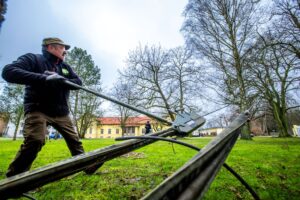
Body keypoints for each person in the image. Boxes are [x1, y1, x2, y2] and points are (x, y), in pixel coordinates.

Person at [1, 37, 101, 177]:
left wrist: (61, 79)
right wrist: (44, 78)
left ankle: (88, 166)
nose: (65, 51)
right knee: (35, 140)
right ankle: (15, 176)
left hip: (61, 112)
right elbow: (8, 72)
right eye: (62, 47)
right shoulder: (33, 59)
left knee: (75, 142)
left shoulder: (64, 67)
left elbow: (78, 82)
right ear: (51, 47)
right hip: (38, 109)